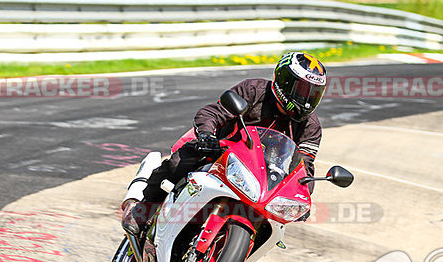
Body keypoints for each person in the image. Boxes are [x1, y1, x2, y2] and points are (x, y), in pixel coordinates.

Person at [121, 51, 328, 234]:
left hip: (262, 177)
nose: (307, 99)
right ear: (284, 81)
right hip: (220, 151)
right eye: (302, 90)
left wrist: (301, 196)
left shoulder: (311, 126)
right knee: (179, 161)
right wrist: (206, 135)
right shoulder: (253, 90)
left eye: (314, 93)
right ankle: (141, 210)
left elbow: (304, 166)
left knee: (271, 225)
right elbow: (212, 113)